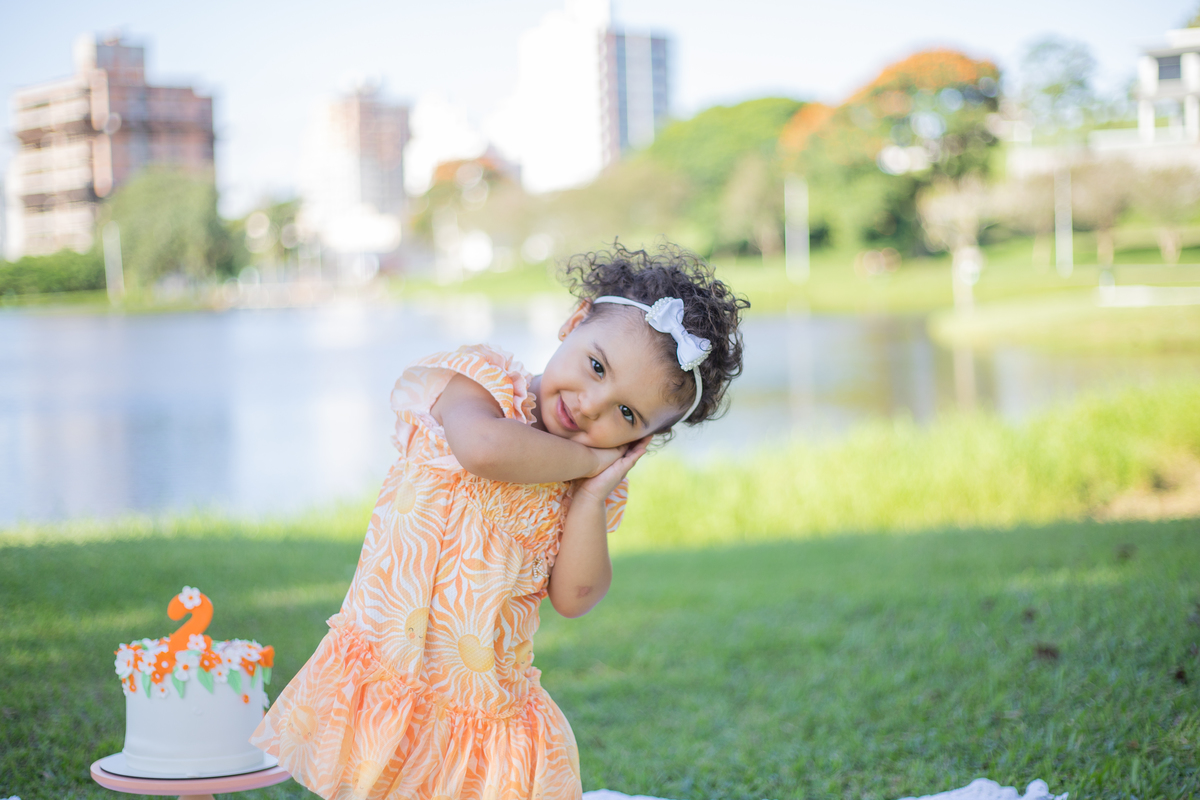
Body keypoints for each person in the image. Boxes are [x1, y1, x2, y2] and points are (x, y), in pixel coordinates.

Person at [252, 243, 748, 800]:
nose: (591, 405)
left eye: (626, 414)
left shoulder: (586, 489)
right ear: (574, 321)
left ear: (643, 440)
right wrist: (588, 460)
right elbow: (484, 450)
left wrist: (587, 497)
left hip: (487, 708)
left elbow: (577, 596)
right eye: (596, 366)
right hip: (391, 665)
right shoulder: (484, 383)